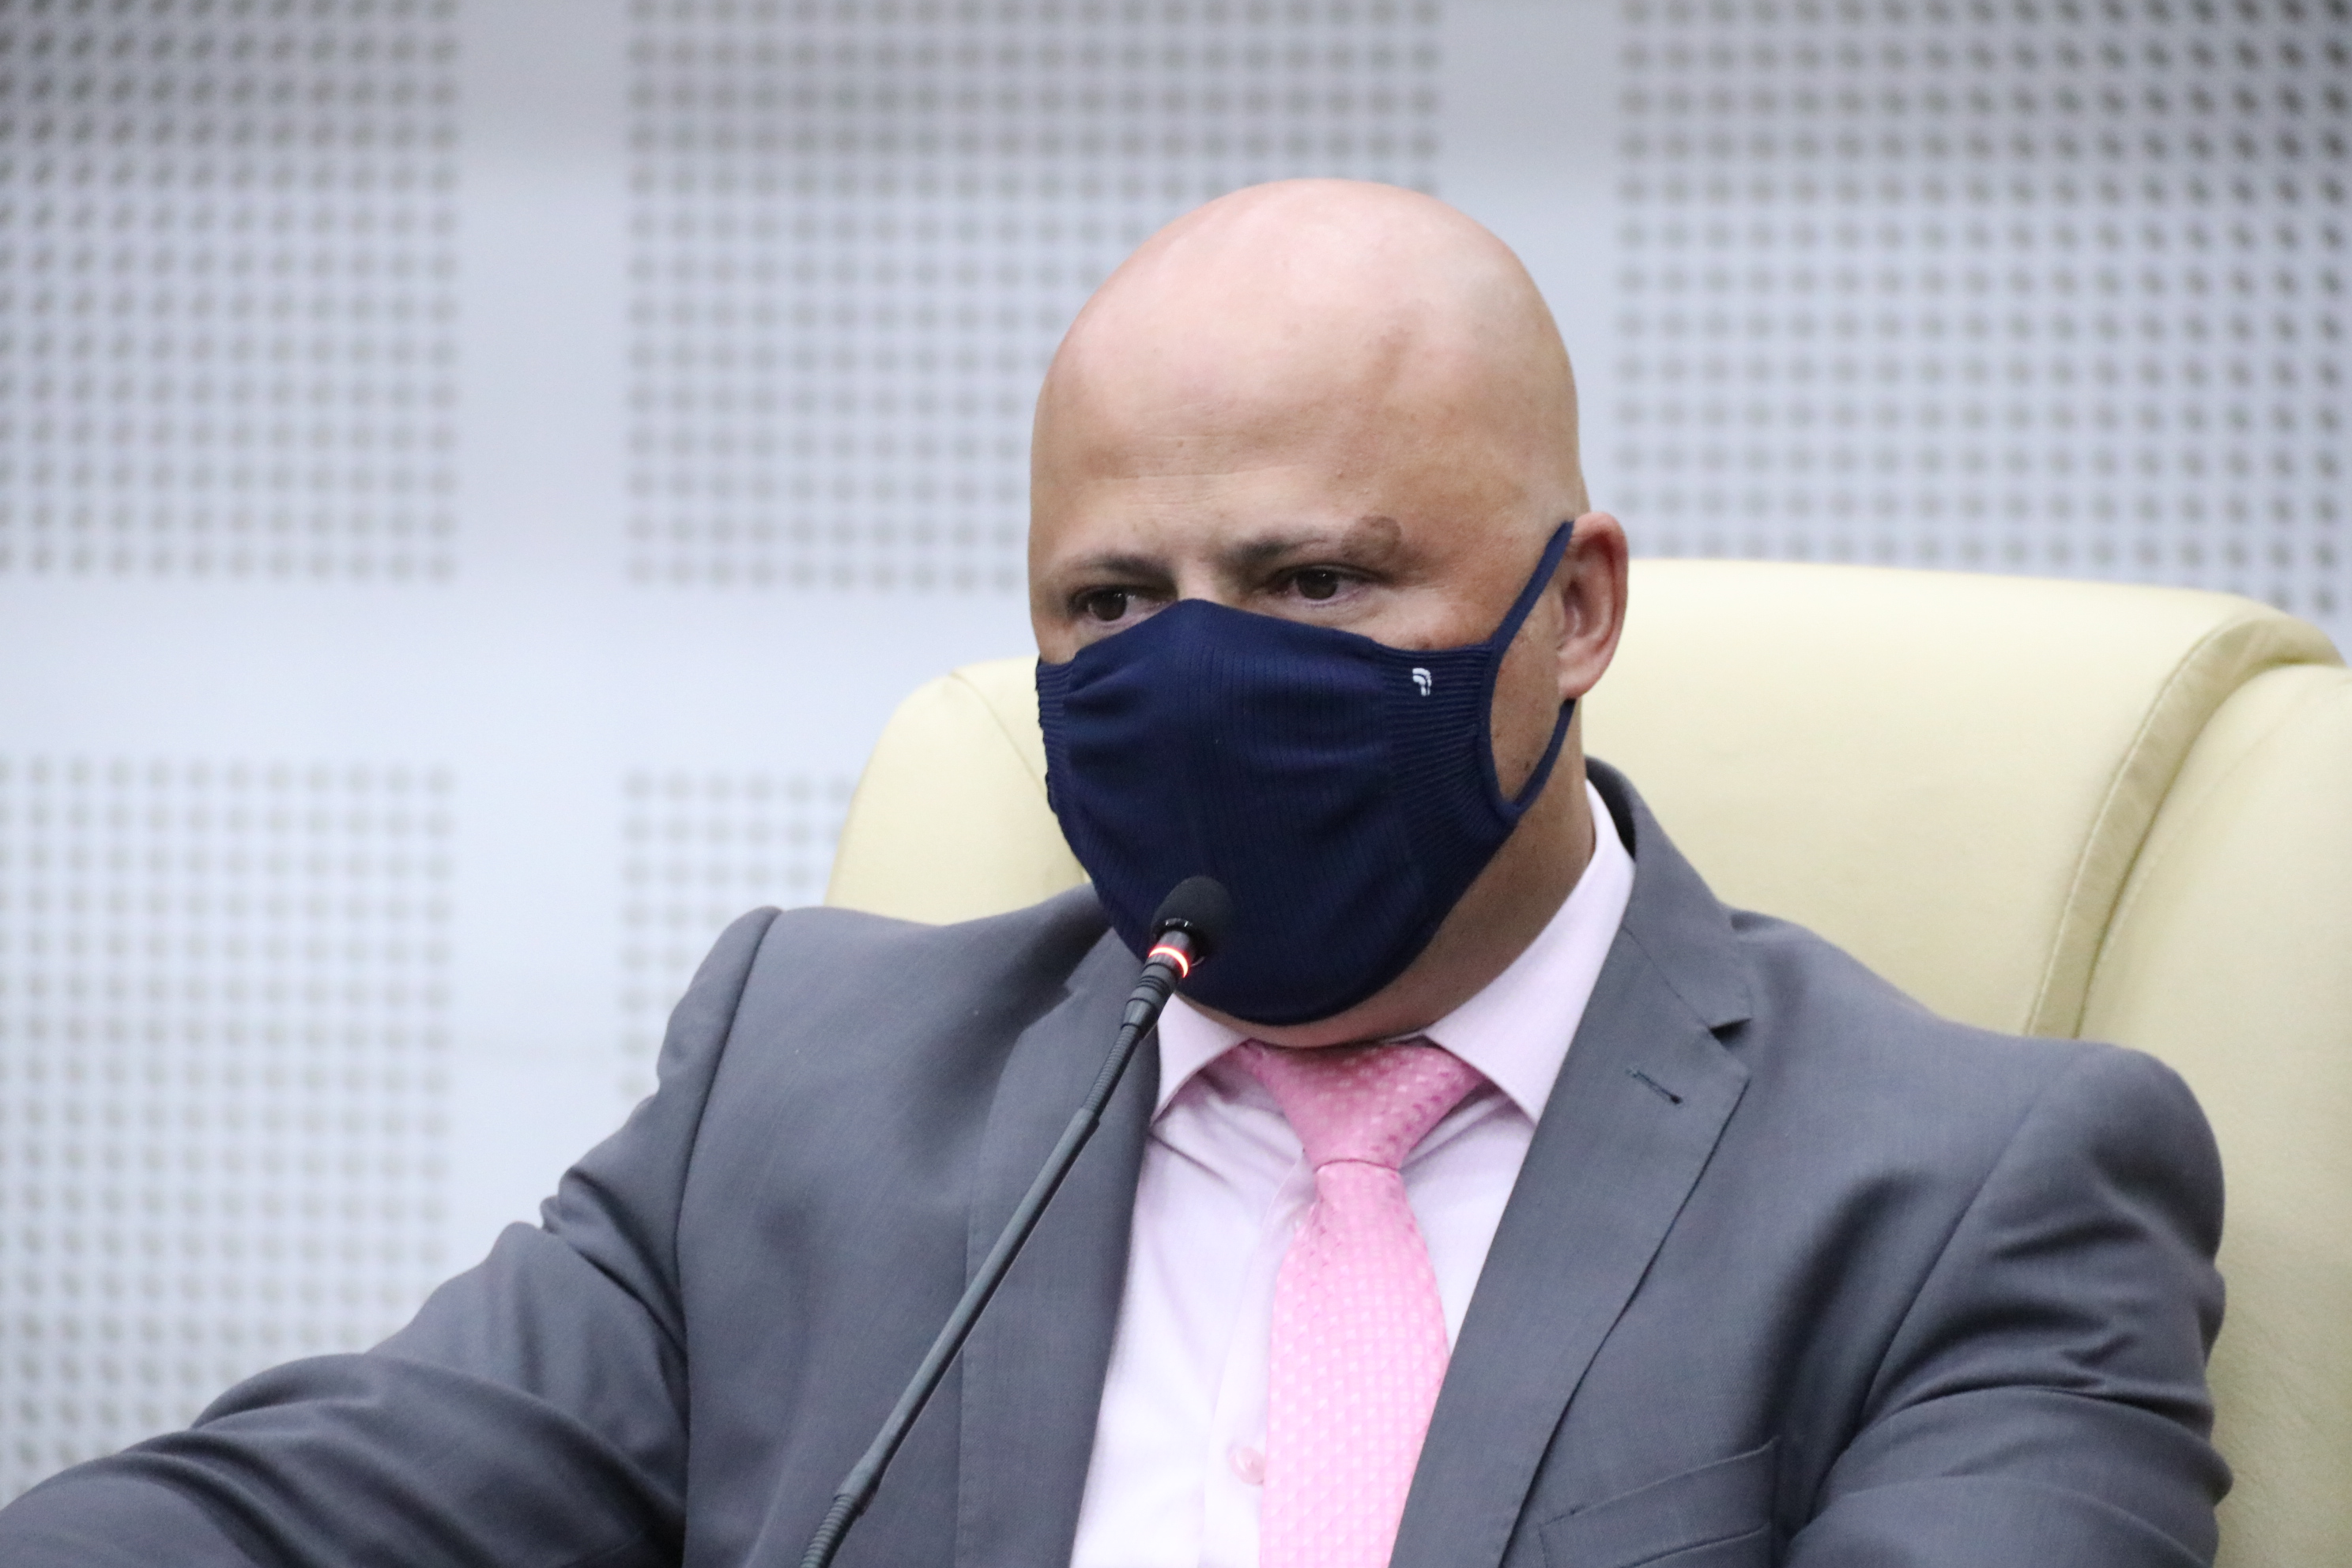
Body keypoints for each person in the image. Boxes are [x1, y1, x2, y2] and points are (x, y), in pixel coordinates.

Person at [0, 181, 2225, 1567]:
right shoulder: (803, 1083)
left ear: (1577, 610)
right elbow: (299, 1516)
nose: (1198, 674)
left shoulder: (1971, 1192)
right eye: (1111, 604)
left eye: (1316, 580)